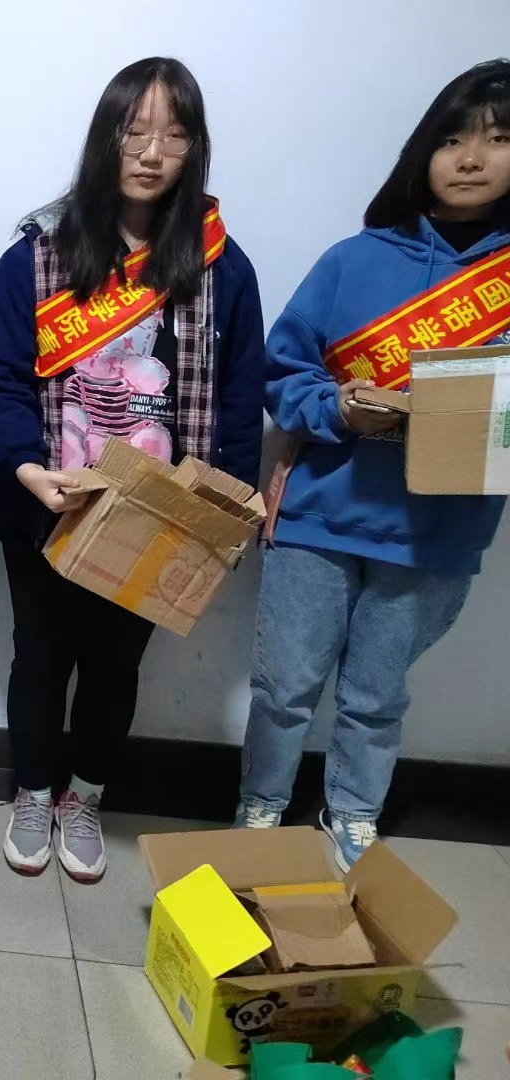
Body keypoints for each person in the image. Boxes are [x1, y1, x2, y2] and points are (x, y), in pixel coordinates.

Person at [0, 57, 266, 883]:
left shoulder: (223, 268)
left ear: (195, 149)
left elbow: (241, 401)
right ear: (106, 139)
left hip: (160, 520)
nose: (152, 152)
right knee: (39, 661)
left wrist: (225, 514)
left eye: (174, 135)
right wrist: (26, 467)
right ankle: (34, 792)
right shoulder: (37, 258)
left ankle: (86, 797)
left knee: (114, 669)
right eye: (135, 131)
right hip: (48, 507)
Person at [237, 59, 510, 869]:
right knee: (283, 687)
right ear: (422, 151)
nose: (471, 158)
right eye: (452, 139)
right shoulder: (353, 260)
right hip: (318, 516)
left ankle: (354, 811)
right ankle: (260, 802)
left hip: (436, 532)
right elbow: (282, 371)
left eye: (498, 140)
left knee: (377, 696)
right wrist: (337, 410)